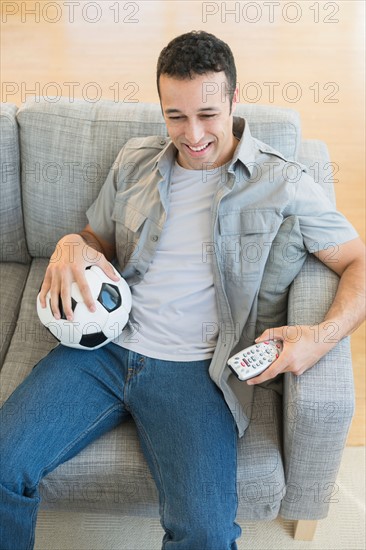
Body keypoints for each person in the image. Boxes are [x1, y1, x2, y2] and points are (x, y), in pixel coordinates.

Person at [0, 31, 365, 550]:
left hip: (196, 374)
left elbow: (357, 262)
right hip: (101, 349)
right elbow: (94, 239)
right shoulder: (136, 160)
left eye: (207, 114)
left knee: (207, 534)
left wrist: (320, 337)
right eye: (176, 116)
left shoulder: (282, 181)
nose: (191, 134)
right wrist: (68, 244)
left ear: (234, 101)